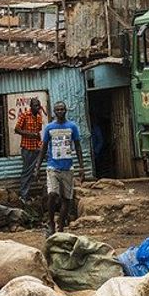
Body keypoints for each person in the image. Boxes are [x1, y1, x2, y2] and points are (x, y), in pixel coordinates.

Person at [36, 101, 86, 235]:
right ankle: (51, 222)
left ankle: (61, 226)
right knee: (52, 194)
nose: (60, 112)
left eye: (62, 109)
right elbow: (44, 148)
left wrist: (82, 167)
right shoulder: (49, 128)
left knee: (66, 199)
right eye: (57, 110)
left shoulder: (72, 127)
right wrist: (37, 167)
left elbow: (78, 146)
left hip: (68, 167)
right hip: (53, 167)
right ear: (54, 111)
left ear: (66, 110)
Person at [15, 98, 45, 204]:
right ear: (31, 106)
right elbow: (17, 129)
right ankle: (23, 196)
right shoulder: (25, 115)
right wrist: (30, 134)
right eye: (35, 106)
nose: (37, 107)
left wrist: (41, 144)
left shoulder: (39, 116)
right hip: (27, 148)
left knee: (35, 171)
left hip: (37, 147)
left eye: (39, 105)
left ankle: (28, 195)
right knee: (27, 172)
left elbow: (39, 132)